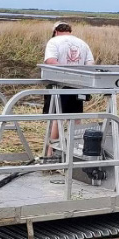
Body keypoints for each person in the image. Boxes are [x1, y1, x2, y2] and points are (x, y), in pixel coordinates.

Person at [42, 23, 95, 152]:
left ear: (55, 31)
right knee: (76, 118)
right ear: (69, 31)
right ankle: (74, 149)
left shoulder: (54, 41)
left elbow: (50, 61)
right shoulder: (82, 43)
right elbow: (90, 64)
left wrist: (65, 73)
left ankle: (50, 153)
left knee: (56, 117)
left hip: (60, 83)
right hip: (79, 84)